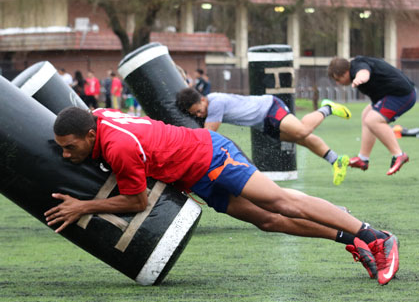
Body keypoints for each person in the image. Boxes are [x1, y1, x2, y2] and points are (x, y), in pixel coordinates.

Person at [44, 107, 400, 285]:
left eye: (70, 147)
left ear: (90, 135)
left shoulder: (116, 145)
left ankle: (375, 236)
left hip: (211, 156)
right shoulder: (97, 119)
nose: (65, 155)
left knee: (278, 201)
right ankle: (350, 236)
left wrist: (84, 206)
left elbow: (137, 202)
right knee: (267, 220)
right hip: (194, 174)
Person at [176, 88, 351, 185]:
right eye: (195, 114)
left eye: (199, 111)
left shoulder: (215, 103)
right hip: (263, 123)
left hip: (269, 108)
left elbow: (209, 135)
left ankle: (327, 108)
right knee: (301, 139)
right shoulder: (208, 104)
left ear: (202, 100)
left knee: (303, 131)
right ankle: (335, 160)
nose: (199, 115)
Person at [328, 56, 416, 176]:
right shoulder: (354, 65)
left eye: (338, 79)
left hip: (401, 95)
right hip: (389, 95)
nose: (338, 83)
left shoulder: (356, 68)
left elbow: (364, 72)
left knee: (373, 120)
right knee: (366, 115)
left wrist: (360, 78)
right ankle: (363, 159)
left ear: (344, 73)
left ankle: (399, 155)